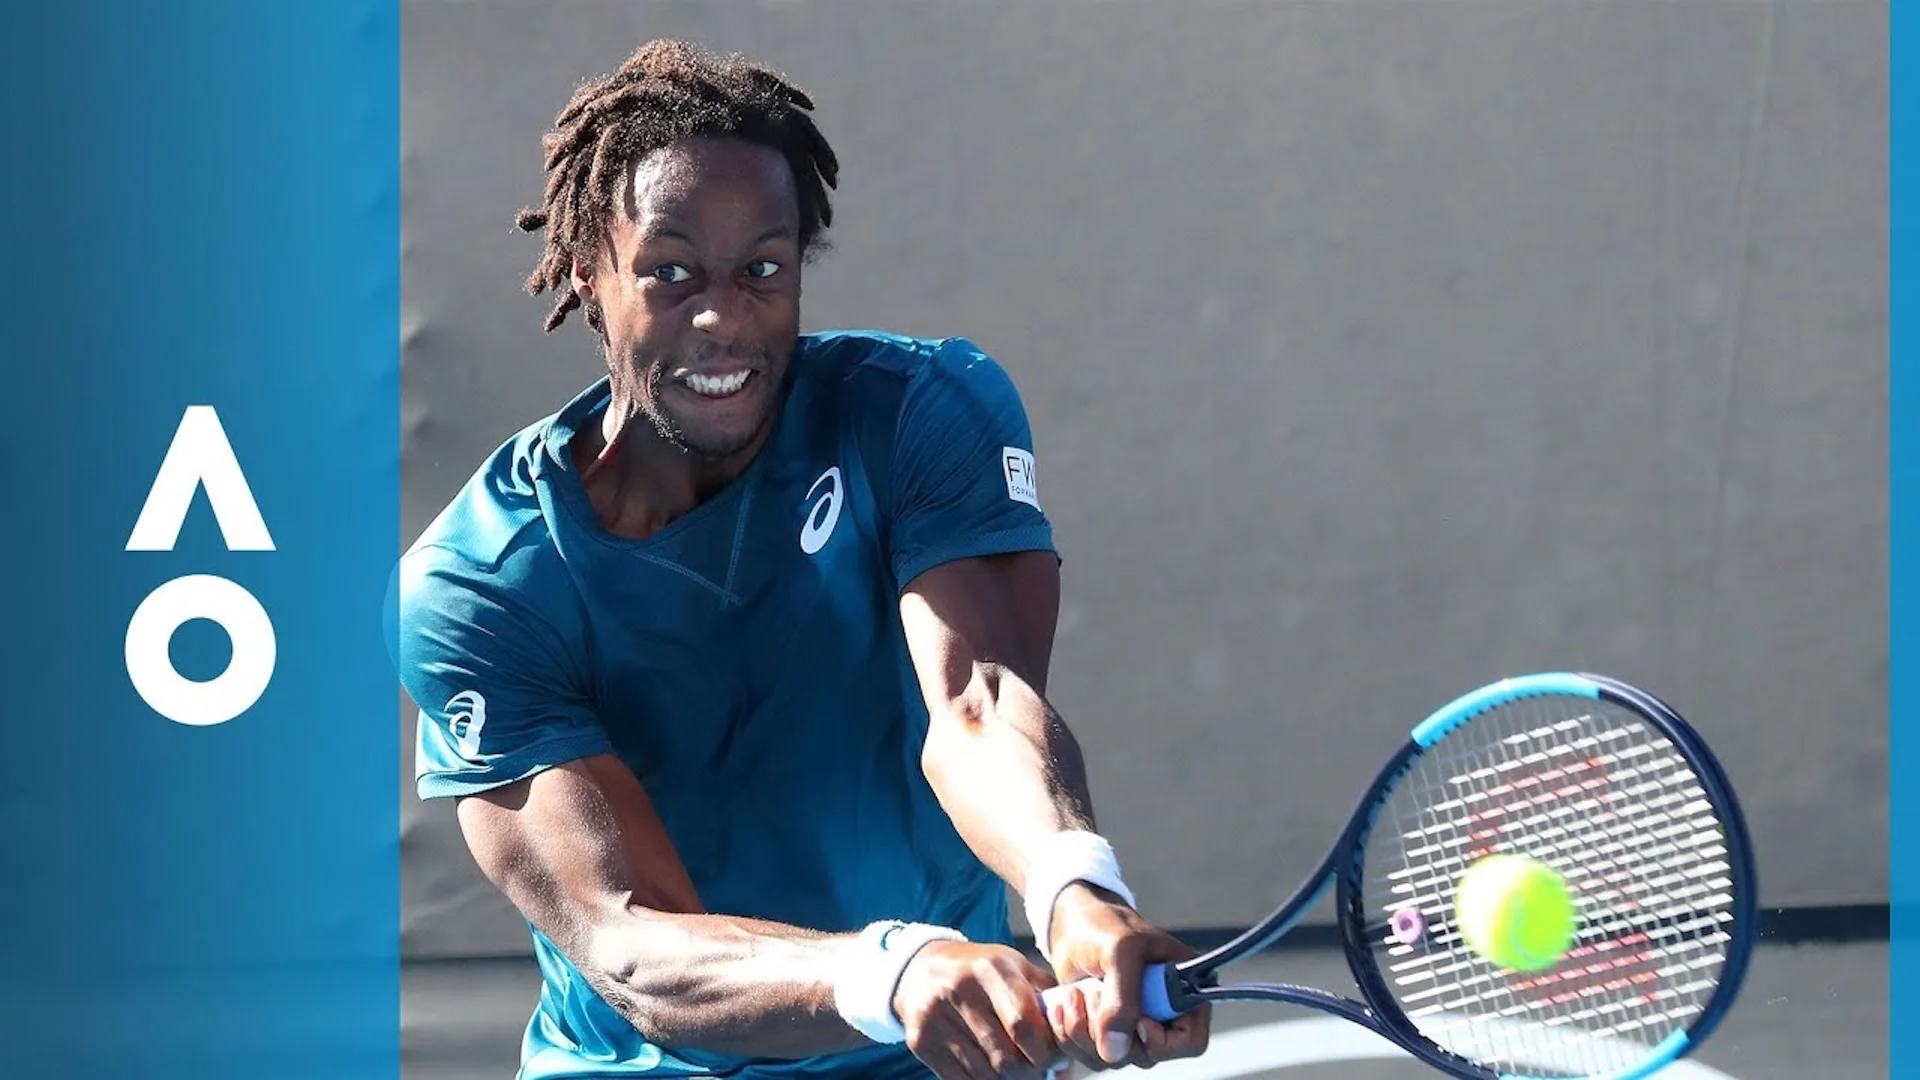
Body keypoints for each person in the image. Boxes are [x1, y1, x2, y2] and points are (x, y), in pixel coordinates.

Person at [392, 38, 1211, 1080]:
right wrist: (891, 973)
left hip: (937, 1054)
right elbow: (629, 943)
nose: (723, 317)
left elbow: (978, 707)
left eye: (762, 270)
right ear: (591, 272)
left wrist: (1073, 890)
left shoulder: (918, 414)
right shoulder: (480, 584)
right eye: (671, 271)